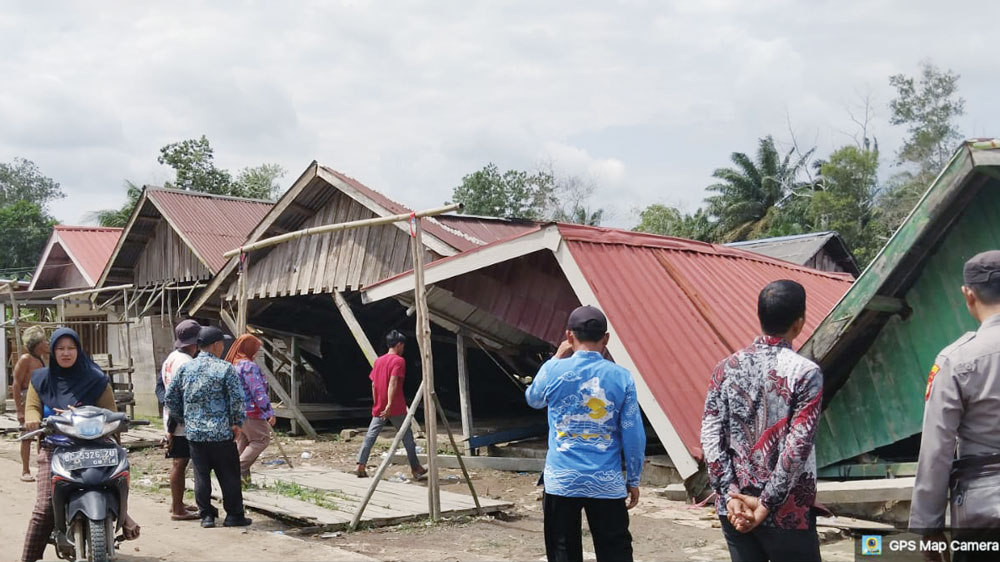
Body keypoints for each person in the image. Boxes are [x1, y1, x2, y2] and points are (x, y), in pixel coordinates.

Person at [700, 280, 823, 562]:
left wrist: (730, 494)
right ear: (799, 323)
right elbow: (797, 446)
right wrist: (766, 504)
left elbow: (710, 437)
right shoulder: (805, 373)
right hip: (786, 512)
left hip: (736, 511)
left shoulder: (725, 368)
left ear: (760, 316)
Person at [525, 305, 645, 562]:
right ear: (606, 339)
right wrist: (633, 478)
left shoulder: (554, 371)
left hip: (562, 479)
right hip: (606, 480)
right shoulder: (622, 377)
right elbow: (633, 433)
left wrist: (556, 358)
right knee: (615, 552)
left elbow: (533, 399)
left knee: (562, 549)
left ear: (569, 336)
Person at [910, 250, 1000, 562]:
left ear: (968, 294)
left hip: (983, 509)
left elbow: (937, 449)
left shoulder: (956, 360)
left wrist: (928, 526)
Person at [21, 328, 140, 562]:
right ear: (53, 352)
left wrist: (85, 412)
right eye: (60, 348)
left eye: (71, 348)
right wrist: (32, 419)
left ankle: (123, 515)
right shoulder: (41, 379)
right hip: (56, 447)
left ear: (78, 350)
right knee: (44, 507)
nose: (66, 353)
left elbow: (110, 411)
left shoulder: (96, 379)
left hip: (96, 446)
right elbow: (32, 407)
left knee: (116, 480)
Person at [164, 326, 250, 529]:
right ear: (216, 345)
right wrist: (237, 423)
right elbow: (237, 399)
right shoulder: (225, 368)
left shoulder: (186, 368)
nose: (223, 347)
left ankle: (207, 516)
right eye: (222, 344)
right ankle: (234, 516)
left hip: (195, 434)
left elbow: (170, 398)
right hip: (222, 432)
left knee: (201, 475)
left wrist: (184, 418)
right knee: (229, 474)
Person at [354, 330, 427, 480]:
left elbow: (373, 384)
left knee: (370, 436)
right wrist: (389, 405)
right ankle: (416, 468)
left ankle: (361, 465)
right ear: (399, 345)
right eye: (403, 345)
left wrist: (378, 402)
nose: (403, 348)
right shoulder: (399, 361)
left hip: (379, 407)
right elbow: (393, 382)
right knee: (407, 437)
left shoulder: (378, 361)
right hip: (396, 406)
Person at [160, 319, 202, 521]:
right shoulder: (186, 363)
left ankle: (177, 503)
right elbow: (179, 396)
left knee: (180, 462)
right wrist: (172, 427)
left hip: (172, 417)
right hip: (179, 421)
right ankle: (178, 509)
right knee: (180, 463)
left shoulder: (172, 358)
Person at [224, 334, 276, 482]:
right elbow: (257, 390)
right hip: (251, 411)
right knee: (261, 440)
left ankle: (243, 481)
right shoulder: (248, 366)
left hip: (237, 411)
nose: (257, 353)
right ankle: (235, 470)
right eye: (256, 349)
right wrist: (268, 412)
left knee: (244, 442)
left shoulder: (232, 365)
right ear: (248, 348)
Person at [13, 326, 48, 482]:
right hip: (27, 397)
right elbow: (16, 385)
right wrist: (20, 410)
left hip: (40, 398)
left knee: (42, 433)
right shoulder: (25, 359)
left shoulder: (42, 359)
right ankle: (25, 470)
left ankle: (42, 469)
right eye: (44, 341)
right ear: (37, 344)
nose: (47, 344)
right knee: (27, 435)